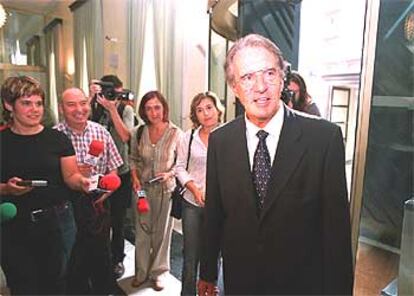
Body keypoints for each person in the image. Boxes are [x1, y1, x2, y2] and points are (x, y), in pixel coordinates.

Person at [198, 34, 353, 295]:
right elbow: (215, 213)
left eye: (269, 73)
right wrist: (208, 273)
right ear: (235, 88)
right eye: (247, 77)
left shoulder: (323, 139)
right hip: (240, 282)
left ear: (283, 78)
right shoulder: (220, 141)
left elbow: (336, 233)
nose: (260, 87)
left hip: (301, 284)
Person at [0, 76, 89, 295]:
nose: (35, 109)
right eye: (26, 103)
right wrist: (6, 189)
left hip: (57, 222)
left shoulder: (57, 139)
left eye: (38, 103)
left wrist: (83, 182)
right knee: (23, 285)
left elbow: (70, 176)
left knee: (56, 283)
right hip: (14, 224)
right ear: (8, 105)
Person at [55, 87, 124, 295]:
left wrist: (107, 191)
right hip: (67, 206)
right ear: (61, 108)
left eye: (83, 103)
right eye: (71, 104)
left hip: (99, 203)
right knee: (73, 261)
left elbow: (114, 169)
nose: (79, 109)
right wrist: (73, 174)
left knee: (101, 258)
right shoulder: (54, 136)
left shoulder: (100, 132)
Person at [130, 90, 182, 291]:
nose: (153, 112)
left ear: (164, 108)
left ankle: (159, 273)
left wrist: (169, 174)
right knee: (142, 233)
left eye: (157, 107)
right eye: (149, 108)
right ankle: (141, 272)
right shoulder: (138, 132)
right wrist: (134, 178)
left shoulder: (176, 133)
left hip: (164, 190)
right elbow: (133, 158)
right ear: (143, 111)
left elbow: (180, 163)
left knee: (162, 234)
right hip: (141, 189)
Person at [174, 91, 223, 295]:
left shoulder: (229, 135)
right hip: (191, 203)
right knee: (190, 255)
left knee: (213, 254)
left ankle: (210, 291)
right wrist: (194, 188)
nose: (205, 113)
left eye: (209, 108)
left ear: (218, 109)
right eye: (200, 110)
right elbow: (179, 167)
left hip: (219, 205)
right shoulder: (189, 136)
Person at [89, 75, 136, 278]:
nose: (111, 95)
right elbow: (82, 124)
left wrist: (112, 109)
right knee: (96, 218)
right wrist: (90, 97)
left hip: (121, 172)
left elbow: (126, 136)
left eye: (115, 91)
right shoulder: (94, 106)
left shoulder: (126, 109)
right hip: (97, 173)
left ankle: (117, 259)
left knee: (117, 220)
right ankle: (97, 258)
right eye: (107, 91)